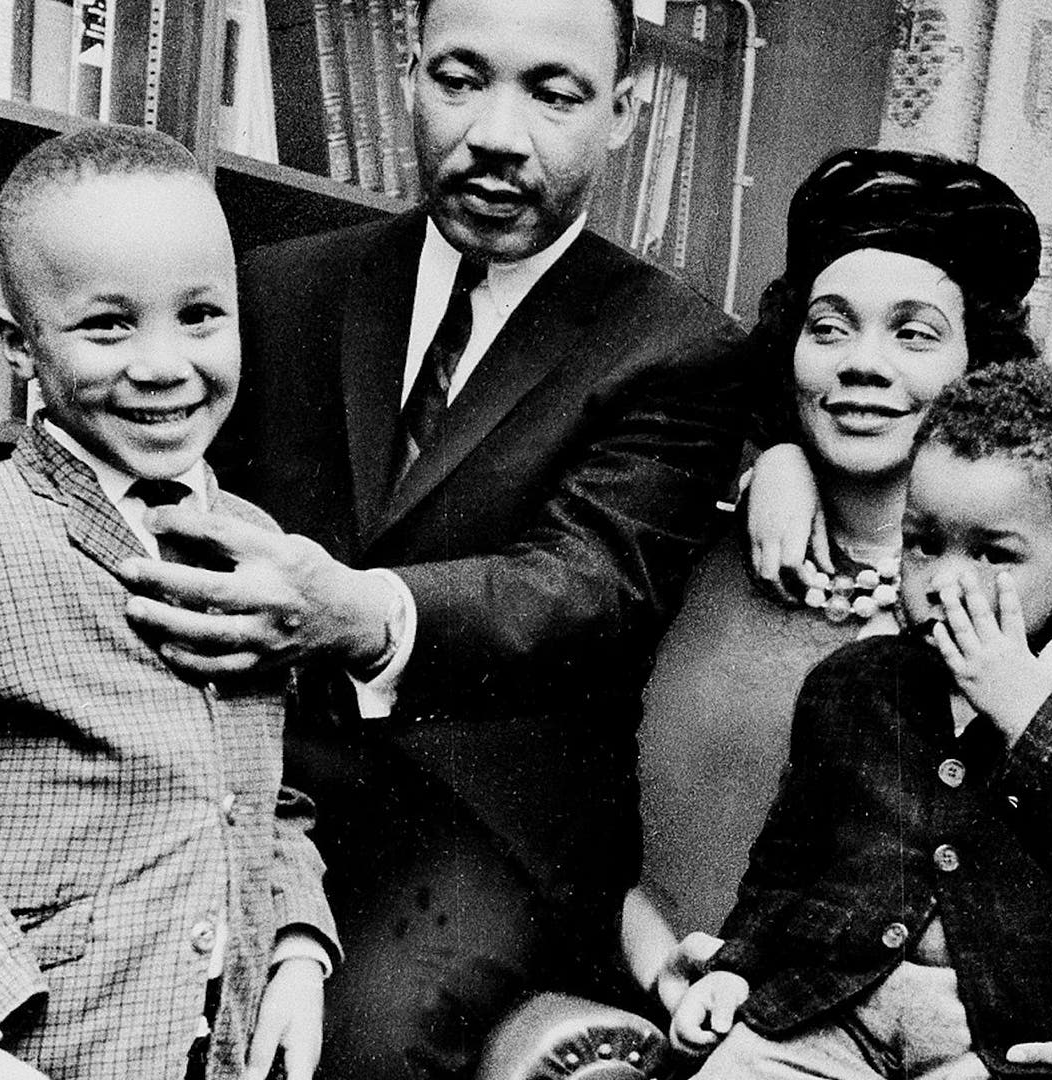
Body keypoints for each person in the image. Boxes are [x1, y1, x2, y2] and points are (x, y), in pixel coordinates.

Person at [111, 0, 748, 1074]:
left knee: (349, 1048)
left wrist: (356, 614)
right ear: (410, 72)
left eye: (553, 92)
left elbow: (585, 585)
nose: (497, 132)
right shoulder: (276, 288)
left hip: (484, 831)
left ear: (625, 111)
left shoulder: (678, 349)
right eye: (461, 78)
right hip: (246, 783)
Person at [641, 149, 1052, 1080]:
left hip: (986, 1013)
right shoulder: (707, 526)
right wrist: (768, 459)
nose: (863, 364)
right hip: (773, 1008)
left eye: (915, 334)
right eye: (829, 329)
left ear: (976, 369)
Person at [0, 127, 338, 1080]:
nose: (163, 364)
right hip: (37, 1058)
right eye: (108, 325)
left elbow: (266, 799)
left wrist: (298, 954)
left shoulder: (258, 546)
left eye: (201, 316)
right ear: (22, 345)